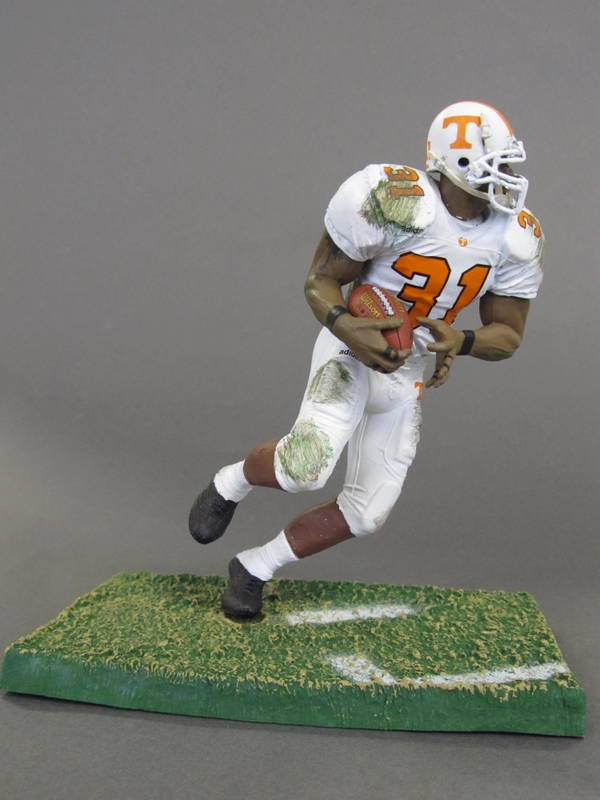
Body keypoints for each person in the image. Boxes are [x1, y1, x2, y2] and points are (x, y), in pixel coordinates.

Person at [188, 100, 544, 621]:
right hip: (352, 350)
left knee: (367, 511)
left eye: (509, 163)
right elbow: (321, 279)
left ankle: (254, 567)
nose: (507, 175)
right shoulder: (395, 200)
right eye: (496, 163)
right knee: (303, 469)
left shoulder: (514, 236)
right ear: (457, 162)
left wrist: (462, 340)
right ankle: (231, 481)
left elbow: (508, 335)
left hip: (408, 368)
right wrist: (342, 323)